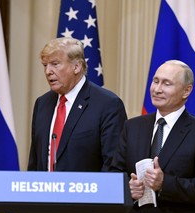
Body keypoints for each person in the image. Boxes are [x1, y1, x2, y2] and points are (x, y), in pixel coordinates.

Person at [110, 60, 195, 213]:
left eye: (166, 84)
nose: (157, 89)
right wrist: (128, 189)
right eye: (155, 81)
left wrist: (165, 183)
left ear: (186, 91)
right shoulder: (132, 127)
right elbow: (115, 172)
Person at [27, 37, 127, 172]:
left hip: (86, 192)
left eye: (55, 64)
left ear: (77, 66)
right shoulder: (42, 104)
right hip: (45, 191)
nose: (48, 71)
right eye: (45, 65)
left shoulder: (108, 105)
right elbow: (35, 162)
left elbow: (113, 166)